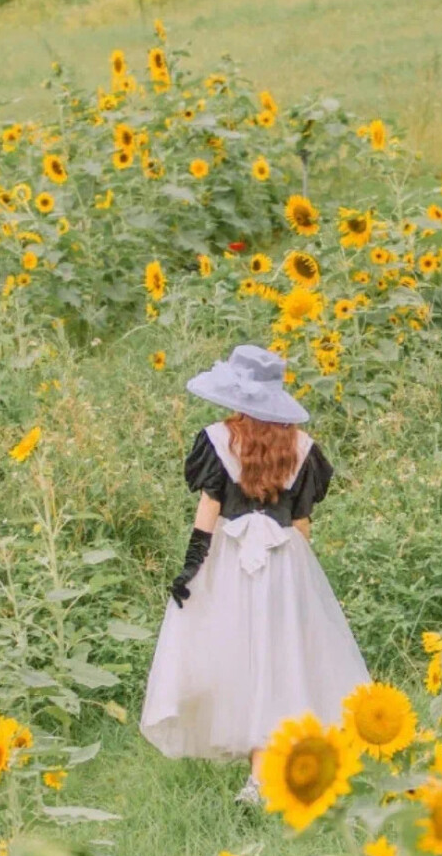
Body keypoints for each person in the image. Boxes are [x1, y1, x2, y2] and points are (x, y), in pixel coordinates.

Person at [140, 343, 368, 801]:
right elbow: (301, 523)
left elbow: (209, 509)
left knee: (236, 652)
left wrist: (192, 566)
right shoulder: (303, 448)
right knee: (281, 656)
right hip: (285, 558)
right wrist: (300, 583)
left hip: (230, 558)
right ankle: (266, 772)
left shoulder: (219, 439)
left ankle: (260, 778)